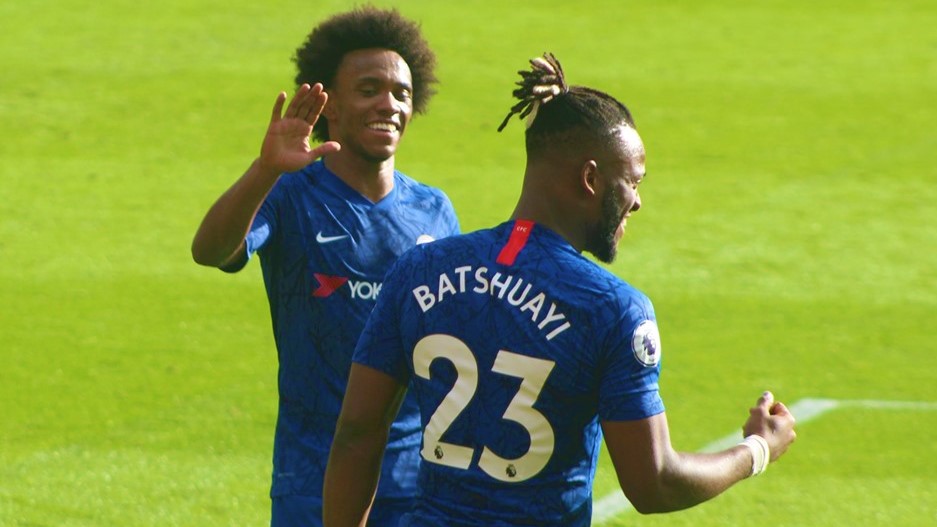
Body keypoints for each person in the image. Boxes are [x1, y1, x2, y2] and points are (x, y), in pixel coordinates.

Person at [322, 53, 797, 526]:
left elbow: (357, 434)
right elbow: (654, 483)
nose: (636, 201)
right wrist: (758, 449)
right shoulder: (612, 309)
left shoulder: (419, 269)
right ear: (590, 179)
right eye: (632, 181)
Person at [190, 7, 459, 526]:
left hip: (418, 480)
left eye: (401, 93)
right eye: (368, 90)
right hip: (313, 475)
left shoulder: (435, 210)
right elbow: (211, 251)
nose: (388, 104)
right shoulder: (289, 194)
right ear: (329, 103)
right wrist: (265, 170)